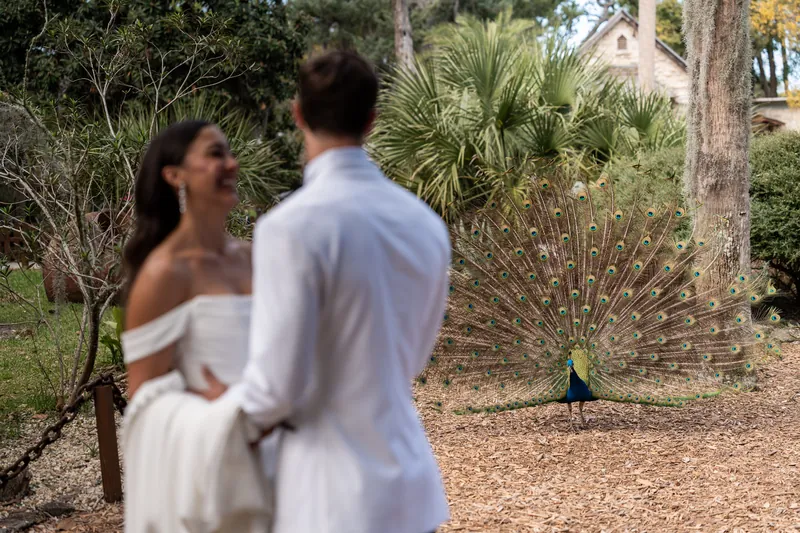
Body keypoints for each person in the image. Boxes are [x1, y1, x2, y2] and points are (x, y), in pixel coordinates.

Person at [200, 50, 451, 533]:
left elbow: (276, 387)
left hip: (329, 497)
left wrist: (216, 406)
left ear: (297, 114)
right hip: (411, 489)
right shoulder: (426, 225)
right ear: (372, 121)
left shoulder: (288, 228)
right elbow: (413, 357)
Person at [120, 120, 277, 532]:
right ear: (175, 176)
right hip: (222, 471)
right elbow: (142, 403)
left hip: (284, 453)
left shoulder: (252, 258)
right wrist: (222, 412)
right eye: (214, 154)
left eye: (229, 152)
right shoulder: (163, 273)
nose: (231, 163)